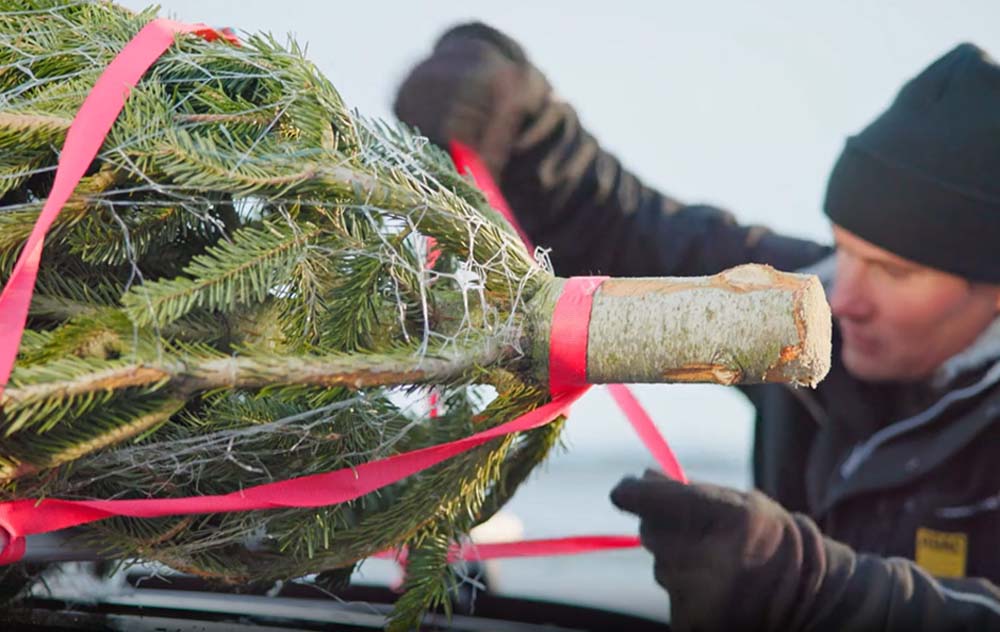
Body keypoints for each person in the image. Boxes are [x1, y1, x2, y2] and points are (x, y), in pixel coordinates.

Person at [394, 23, 1000, 630]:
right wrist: (522, 119)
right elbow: (623, 227)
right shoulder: (791, 297)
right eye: (846, 249)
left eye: (894, 272)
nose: (845, 298)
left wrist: (809, 588)